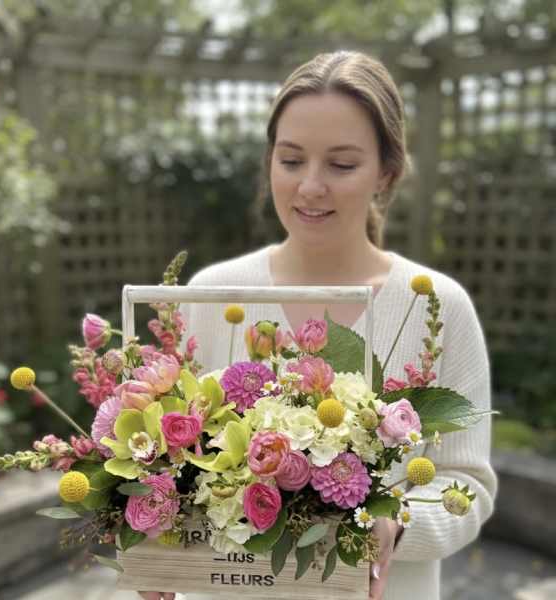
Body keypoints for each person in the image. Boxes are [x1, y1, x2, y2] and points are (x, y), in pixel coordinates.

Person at [140, 50, 497, 600]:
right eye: (291, 160)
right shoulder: (214, 294)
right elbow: (175, 464)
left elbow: (469, 484)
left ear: (386, 173)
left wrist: (396, 523)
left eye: (342, 165)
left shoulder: (435, 306)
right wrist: (156, 545)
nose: (310, 186)